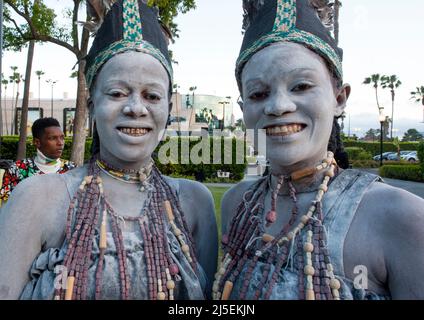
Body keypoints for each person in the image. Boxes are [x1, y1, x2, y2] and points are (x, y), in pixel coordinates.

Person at [0, 0, 217, 300]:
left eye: (151, 95)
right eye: (117, 93)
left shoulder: (194, 204)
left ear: (168, 109)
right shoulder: (35, 199)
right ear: (91, 107)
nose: (135, 108)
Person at [213, 0, 424, 300]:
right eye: (259, 93)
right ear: (243, 108)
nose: (278, 106)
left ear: (339, 98)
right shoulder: (237, 205)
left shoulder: (402, 218)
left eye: (301, 86)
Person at [0, 117, 75, 206]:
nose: (60, 143)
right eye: (53, 138)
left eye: (62, 138)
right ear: (37, 142)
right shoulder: (17, 170)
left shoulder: (72, 170)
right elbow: (6, 208)